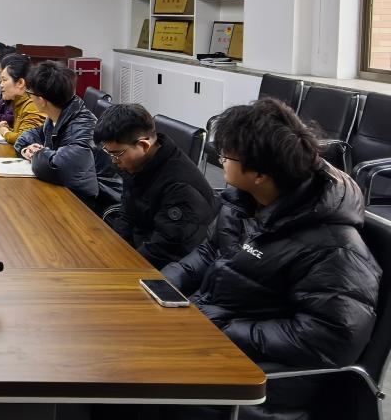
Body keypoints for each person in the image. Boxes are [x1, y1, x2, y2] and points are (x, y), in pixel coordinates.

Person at [161, 98, 381, 420]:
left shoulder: (335, 249)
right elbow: (209, 251)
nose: (219, 161)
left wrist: (222, 327)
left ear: (261, 173)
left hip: (268, 380)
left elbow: (329, 338)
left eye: (225, 156)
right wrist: (162, 283)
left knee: (137, 378)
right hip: (219, 338)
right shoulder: (244, 202)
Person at [93, 103, 215, 267]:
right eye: (109, 153)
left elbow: (163, 251)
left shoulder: (180, 187)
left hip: (170, 265)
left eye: (117, 154)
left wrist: (119, 265)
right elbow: (127, 215)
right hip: (142, 245)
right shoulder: (136, 164)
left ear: (144, 145)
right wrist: (113, 249)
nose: (113, 161)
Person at [14, 61, 102, 207]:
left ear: (42, 101)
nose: (29, 97)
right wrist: (26, 149)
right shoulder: (58, 114)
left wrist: (37, 154)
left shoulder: (83, 124)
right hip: (68, 194)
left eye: (30, 94)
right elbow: (31, 136)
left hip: (94, 207)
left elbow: (62, 167)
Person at [0, 52, 44, 146]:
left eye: (4, 80)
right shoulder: (19, 101)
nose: (1, 85)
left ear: (20, 83)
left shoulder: (33, 104)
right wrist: (10, 130)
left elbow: (25, 139)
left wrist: (5, 132)